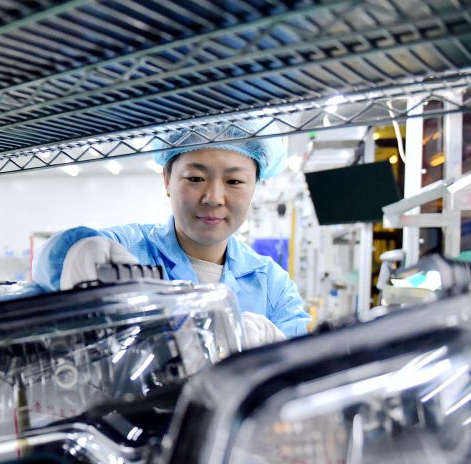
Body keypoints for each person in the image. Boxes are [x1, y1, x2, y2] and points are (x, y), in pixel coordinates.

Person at [32, 129, 310, 345]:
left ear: (254, 187)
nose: (213, 198)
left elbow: (301, 374)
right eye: (195, 178)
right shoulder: (126, 248)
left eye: (234, 181)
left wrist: (273, 353)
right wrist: (78, 252)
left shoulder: (273, 286)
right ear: (167, 180)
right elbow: (49, 266)